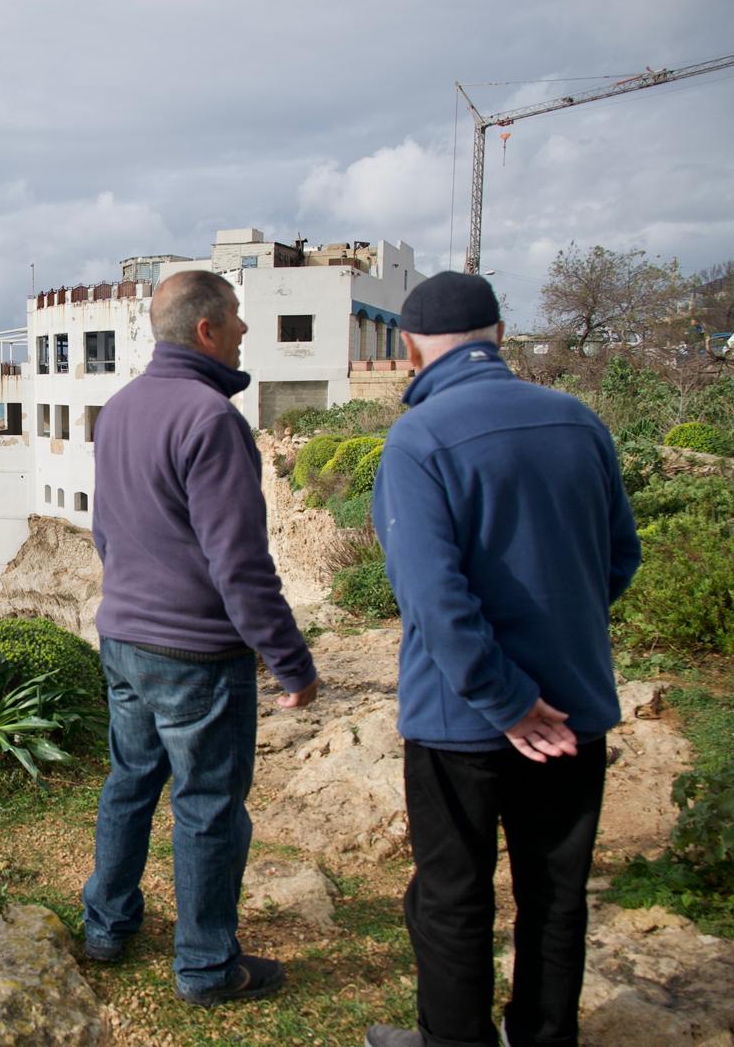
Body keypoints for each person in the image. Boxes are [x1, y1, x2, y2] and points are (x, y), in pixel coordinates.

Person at [363, 272, 641, 1047]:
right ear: (499, 336)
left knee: (454, 895)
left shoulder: (418, 439)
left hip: (461, 719)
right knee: (556, 894)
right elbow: (618, 557)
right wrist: (554, 653)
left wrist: (507, 696)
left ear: (410, 348)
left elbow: (431, 597)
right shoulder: (579, 421)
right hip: (573, 711)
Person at [81, 268, 322, 1007]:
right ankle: (207, 968)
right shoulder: (212, 419)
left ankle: (107, 926)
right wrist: (292, 664)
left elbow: (106, 531)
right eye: (239, 318)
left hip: (123, 638)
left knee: (130, 782)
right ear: (208, 330)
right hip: (195, 655)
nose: (247, 330)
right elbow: (241, 565)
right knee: (208, 806)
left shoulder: (118, 409)